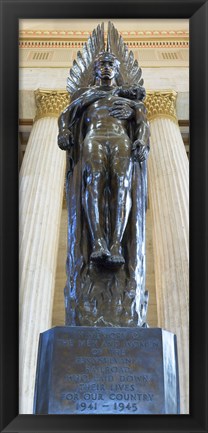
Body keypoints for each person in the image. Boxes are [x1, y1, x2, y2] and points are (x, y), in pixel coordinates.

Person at [58, 51, 150, 268]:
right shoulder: (85, 94)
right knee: (93, 182)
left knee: (122, 185)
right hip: (94, 137)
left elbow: (142, 119)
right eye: (102, 64)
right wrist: (64, 132)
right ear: (96, 70)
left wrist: (142, 140)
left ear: (117, 69)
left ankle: (117, 244)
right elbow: (66, 115)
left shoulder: (127, 97)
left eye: (110, 64)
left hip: (120, 139)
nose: (106, 67)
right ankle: (98, 241)